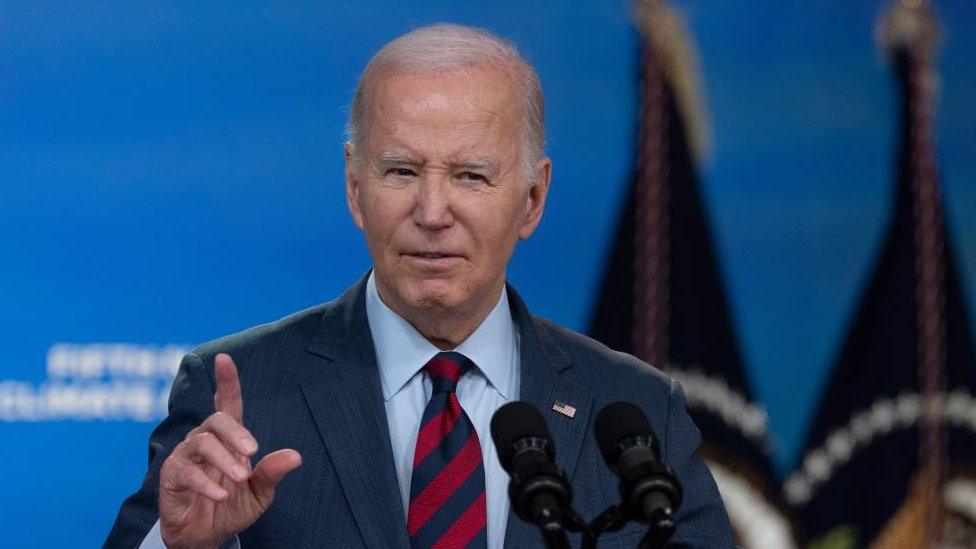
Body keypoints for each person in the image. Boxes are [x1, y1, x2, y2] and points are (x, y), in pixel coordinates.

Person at [106, 24, 733, 548]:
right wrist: (177, 546)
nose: (432, 211)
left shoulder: (635, 411)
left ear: (533, 199)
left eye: (470, 176)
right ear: (355, 187)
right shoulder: (242, 396)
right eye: (401, 171)